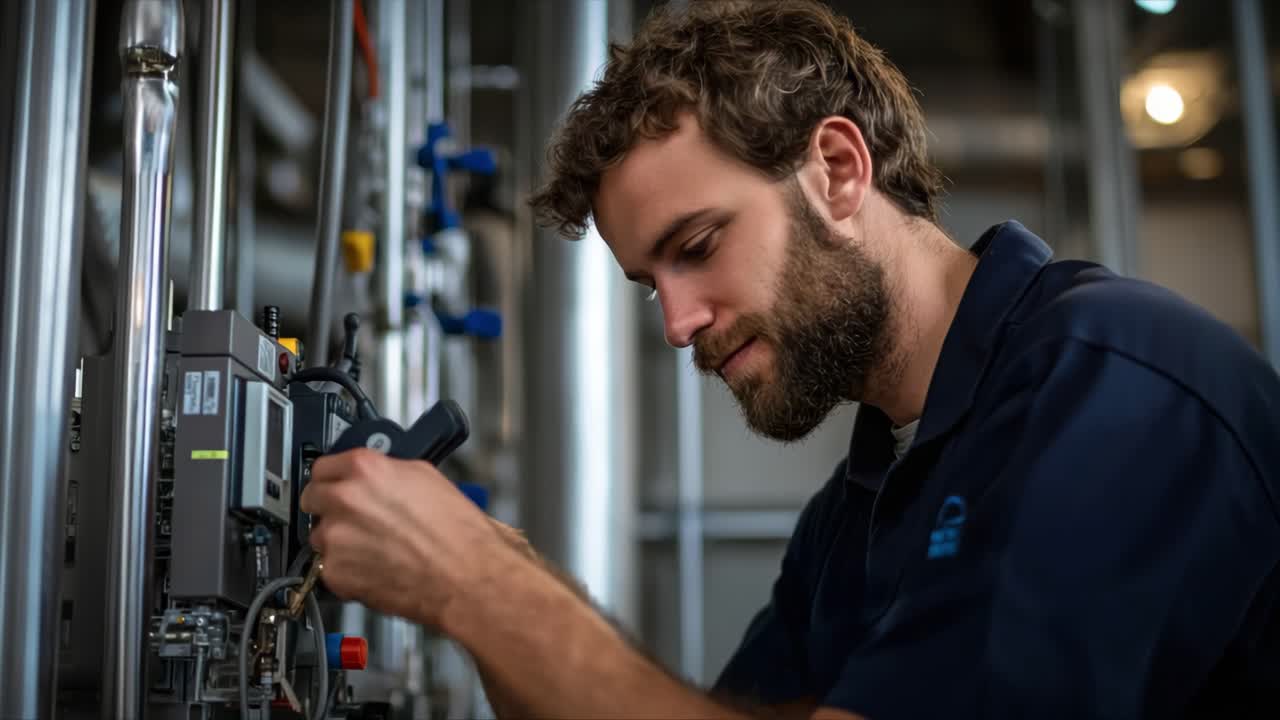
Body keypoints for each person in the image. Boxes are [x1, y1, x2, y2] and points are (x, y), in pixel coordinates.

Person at [300, 1, 1280, 717]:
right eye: (650, 287)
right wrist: (492, 584)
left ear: (838, 171)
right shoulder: (858, 508)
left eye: (696, 248)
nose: (677, 325)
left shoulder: (1107, 381)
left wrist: (477, 584)